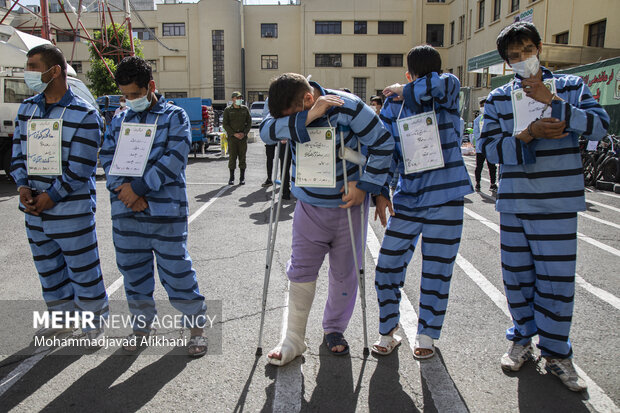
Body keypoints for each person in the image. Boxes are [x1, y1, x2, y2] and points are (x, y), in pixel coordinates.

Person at [480, 22, 609, 391]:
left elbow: (599, 128)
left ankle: (556, 352)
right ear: (507, 62)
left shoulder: (570, 87)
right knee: (517, 278)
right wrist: (528, 136)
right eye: (513, 56)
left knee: (557, 282)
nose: (522, 59)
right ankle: (521, 338)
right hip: (516, 201)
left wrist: (554, 103)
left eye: (526, 50)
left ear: (539, 48)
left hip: (557, 203)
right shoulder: (499, 98)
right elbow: (489, 148)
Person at [259, 73, 394, 366]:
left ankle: (334, 329)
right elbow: (267, 132)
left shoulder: (349, 106)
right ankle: (293, 338)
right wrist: (303, 120)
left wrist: (366, 186)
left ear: (308, 99)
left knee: (345, 273)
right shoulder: (294, 110)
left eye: (298, 114)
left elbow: (383, 142)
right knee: (301, 270)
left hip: (349, 207)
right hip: (308, 205)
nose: (294, 122)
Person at [99, 57, 208, 357]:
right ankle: (142, 328)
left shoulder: (175, 117)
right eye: (125, 95)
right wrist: (124, 191)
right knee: (133, 275)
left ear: (151, 87)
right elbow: (108, 158)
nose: (130, 100)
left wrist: (139, 188)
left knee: (177, 272)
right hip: (126, 214)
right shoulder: (119, 120)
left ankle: (196, 328)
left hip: (165, 214)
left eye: (135, 94)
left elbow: (174, 158)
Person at [372, 45, 473, 359]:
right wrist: (381, 191)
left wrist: (407, 88)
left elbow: (437, 85)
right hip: (410, 198)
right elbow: (388, 151)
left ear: (408, 76)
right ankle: (388, 331)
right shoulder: (393, 108)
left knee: (437, 271)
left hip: (447, 197)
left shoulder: (447, 90)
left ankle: (426, 334)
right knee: (387, 266)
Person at [11, 44, 108, 340]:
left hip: (71, 211)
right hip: (35, 212)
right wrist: (23, 186)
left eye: (33, 66)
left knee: (84, 270)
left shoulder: (84, 114)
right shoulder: (27, 109)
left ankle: (93, 324)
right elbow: (18, 153)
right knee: (49, 270)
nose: (28, 73)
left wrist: (51, 196)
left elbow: (80, 167)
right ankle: (63, 319)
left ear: (55, 71)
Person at [223, 91, 251, 185]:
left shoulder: (245, 109)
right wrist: (234, 134)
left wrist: (244, 133)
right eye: (237, 98)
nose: (239, 100)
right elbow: (225, 124)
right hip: (232, 138)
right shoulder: (228, 110)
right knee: (232, 157)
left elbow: (249, 122)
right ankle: (231, 178)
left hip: (242, 138)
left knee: (242, 157)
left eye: (240, 98)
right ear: (233, 99)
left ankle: (242, 178)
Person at [472, 99, 497, 191]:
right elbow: (476, 133)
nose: (484, 108)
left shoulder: (493, 118)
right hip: (480, 148)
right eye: (482, 106)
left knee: (492, 166)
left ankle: (493, 183)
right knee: (479, 166)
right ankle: (478, 183)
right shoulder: (477, 120)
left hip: (491, 146)